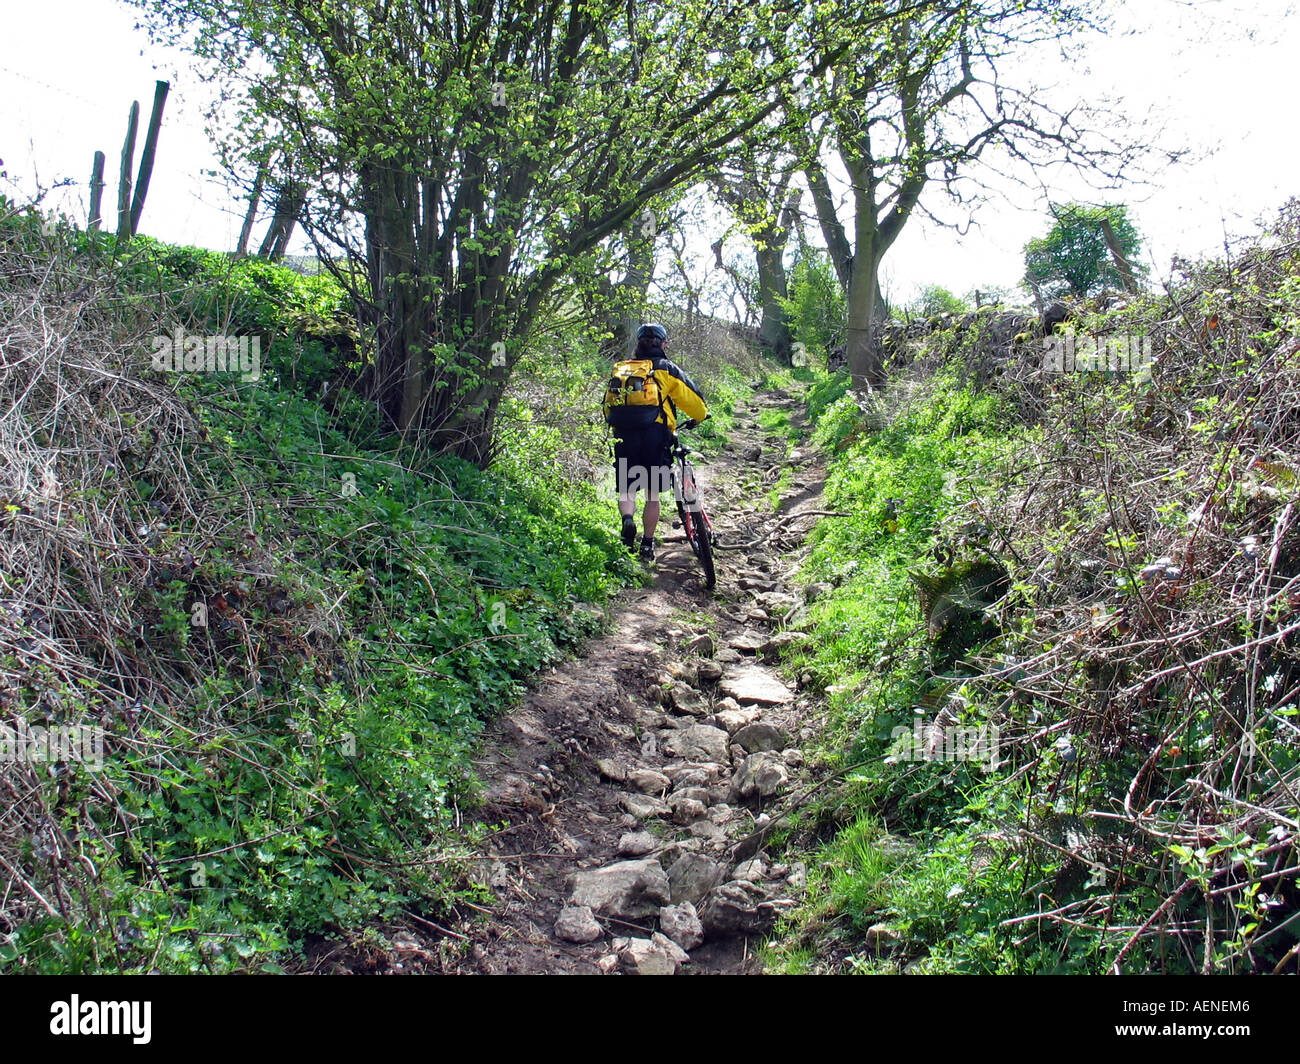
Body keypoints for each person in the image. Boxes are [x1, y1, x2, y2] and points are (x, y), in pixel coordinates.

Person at [602, 323, 709, 562]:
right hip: (654, 435)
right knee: (652, 494)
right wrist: (701, 416)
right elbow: (692, 400)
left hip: (623, 433)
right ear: (663, 344)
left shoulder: (622, 368)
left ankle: (627, 521)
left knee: (627, 488)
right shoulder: (665, 369)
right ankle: (647, 545)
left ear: (638, 344)